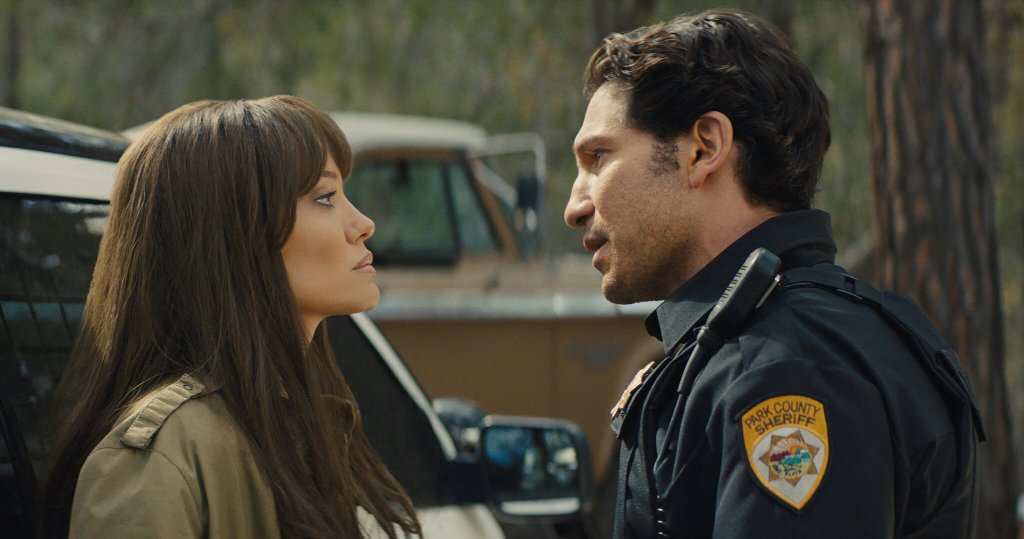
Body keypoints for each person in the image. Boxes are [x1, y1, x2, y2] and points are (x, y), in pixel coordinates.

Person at [563, 9, 982, 538]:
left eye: (599, 158)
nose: (575, 207)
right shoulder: (758, 347)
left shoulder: (788, 367)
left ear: (704, 147)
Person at [42, 96, 420, 538]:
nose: (364, 223)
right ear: (236, 234)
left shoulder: (306, 420)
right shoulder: (161, 460)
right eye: (325, 197)